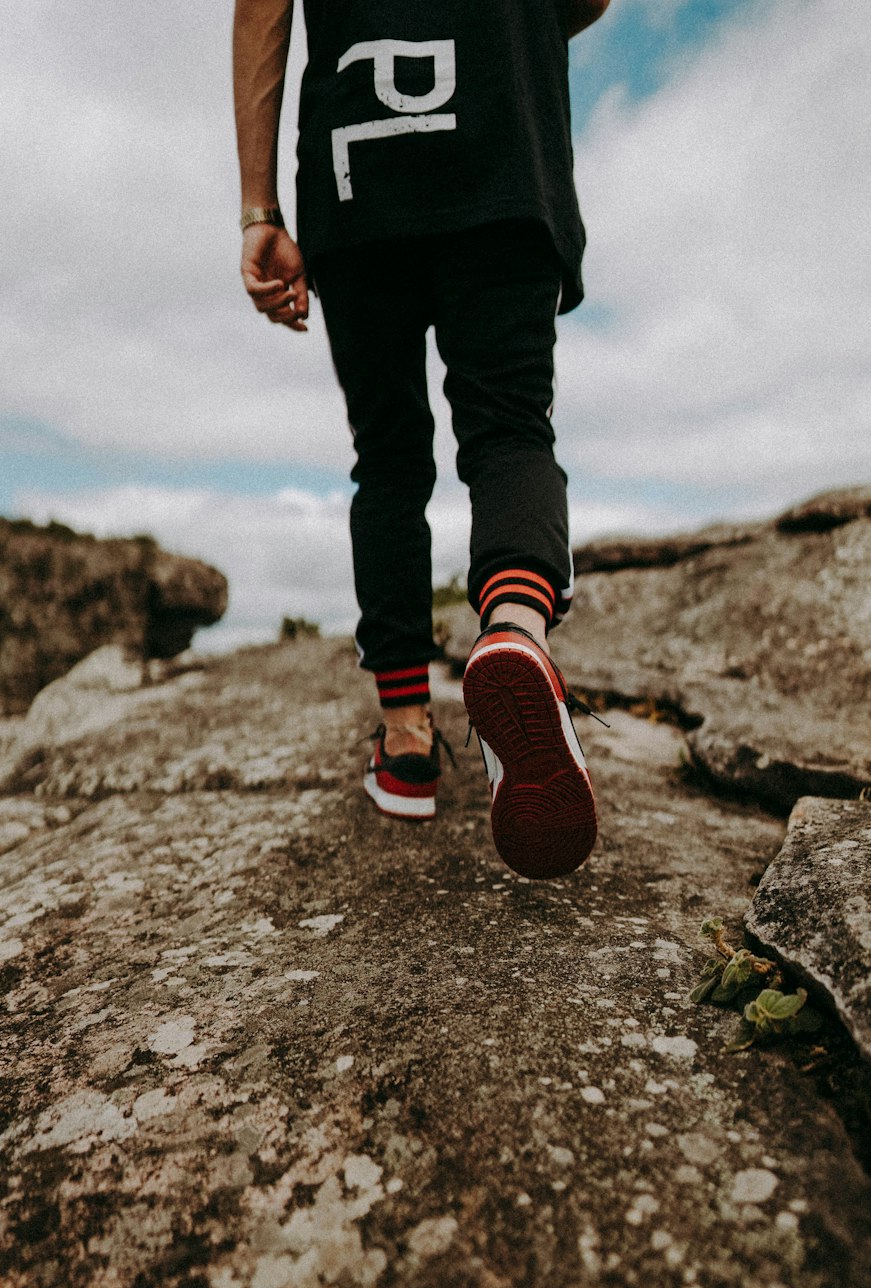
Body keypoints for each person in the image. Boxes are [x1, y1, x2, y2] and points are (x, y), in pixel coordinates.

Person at [234, 0, 611, 879]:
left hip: (357, 165)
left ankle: (406, 738)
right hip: (498, 138)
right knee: (510, 424)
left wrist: (260, 208)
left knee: (390, 458)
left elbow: (261, 8)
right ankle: (515, 628)